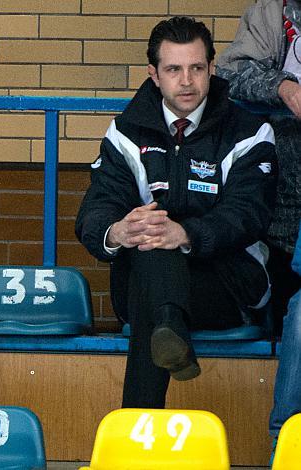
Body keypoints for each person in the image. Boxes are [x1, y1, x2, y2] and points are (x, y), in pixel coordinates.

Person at [76, 17, 277, 408]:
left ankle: (138, 425)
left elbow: (247, 214)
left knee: (155, 258)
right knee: (150, 246)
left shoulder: (250, 132)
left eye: (196, 68)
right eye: (173, 69)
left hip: (227, 286)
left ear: (212, 69)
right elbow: (96, 209)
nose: (187, 81)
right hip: (145, 281)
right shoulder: (126, 132)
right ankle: (169, 328)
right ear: (153, 75)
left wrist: (184, 235)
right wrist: (119, 231)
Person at [216, 0, 301, 446]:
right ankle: (284, 445)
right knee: (292, 317)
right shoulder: (271, 13)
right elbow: (227, 77)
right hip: (275, 211)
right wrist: (284, 87)